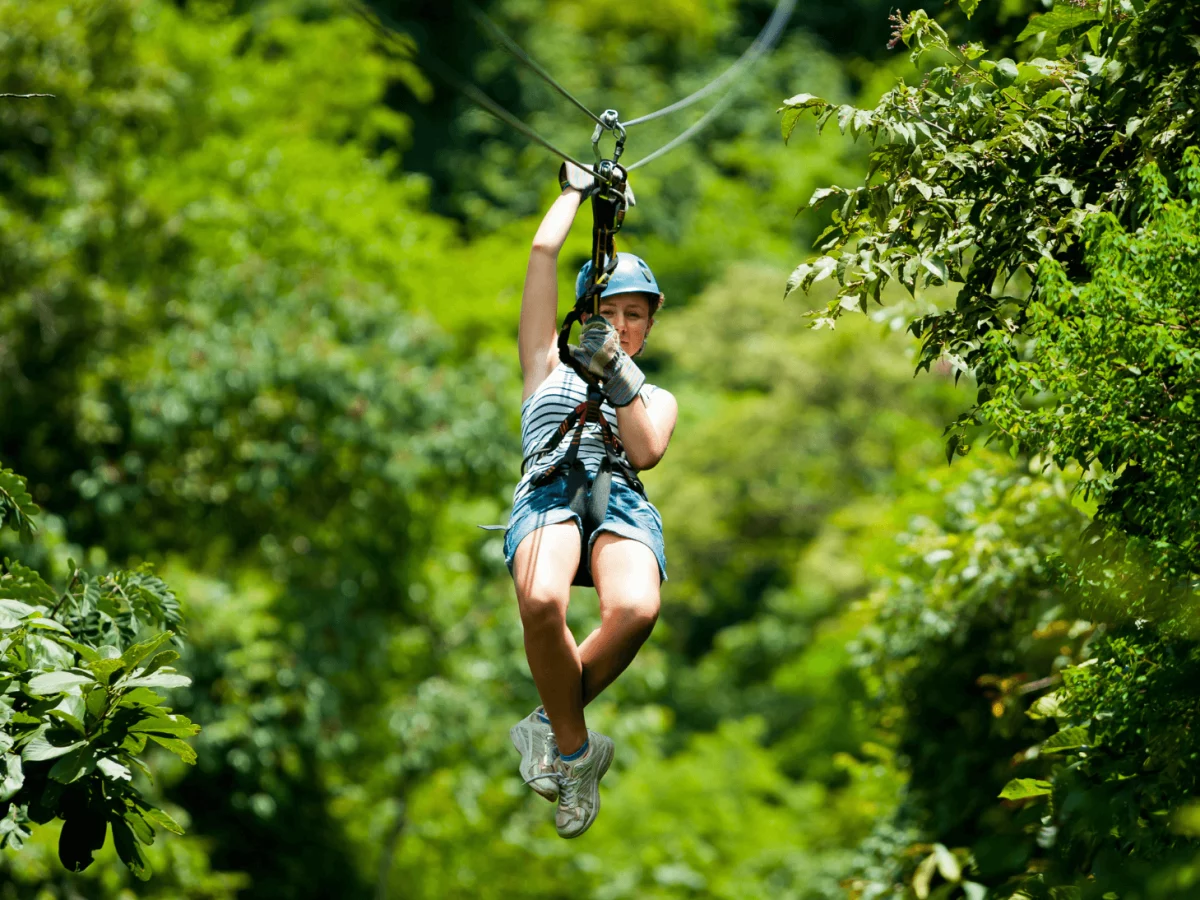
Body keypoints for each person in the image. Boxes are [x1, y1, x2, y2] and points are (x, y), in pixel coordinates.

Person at [503, 162, 678, 839]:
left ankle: (550, 724)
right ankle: (576, 752)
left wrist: (618, 372)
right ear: (584, 316)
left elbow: (647, 451)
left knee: (636, 607)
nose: (622, 324)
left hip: (620, 499)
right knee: (543, 603)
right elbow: (543, 253)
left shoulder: (655, 394)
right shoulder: (544, 363)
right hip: (551, 487)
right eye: (608, 312)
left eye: (635, 316)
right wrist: (575, 193)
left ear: (648, 328)